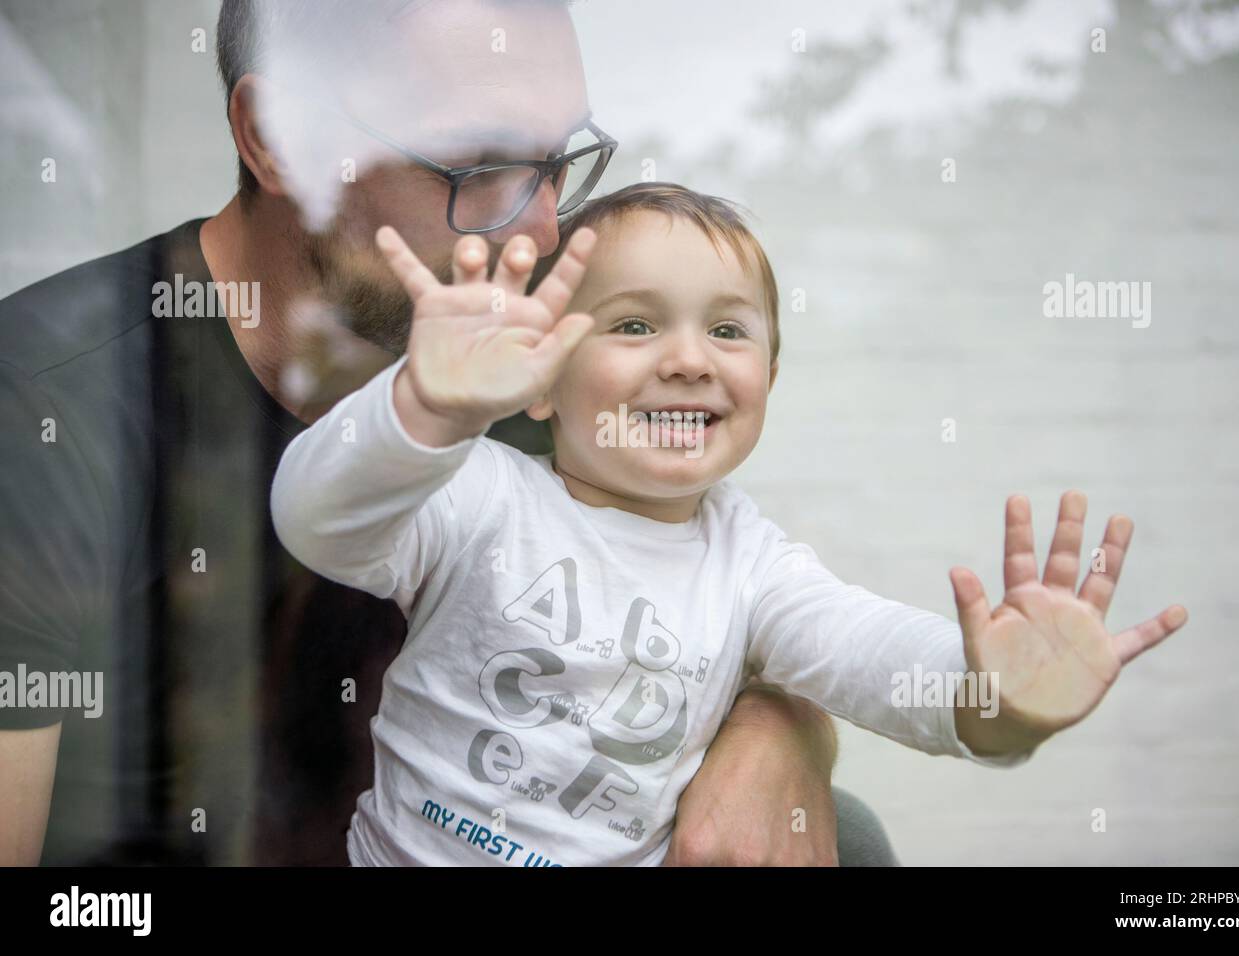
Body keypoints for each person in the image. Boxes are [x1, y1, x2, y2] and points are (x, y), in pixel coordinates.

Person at [0, 0, 863, 867]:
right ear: (274, 138)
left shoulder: (540, 352)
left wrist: (780, 730)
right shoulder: (40, 415)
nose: (538, 231)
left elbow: (707, 598)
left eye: (556, 163)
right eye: (477, 166)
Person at [269, 181, 1189, 865]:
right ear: (540, 378)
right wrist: (423, 408)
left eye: (729, 331)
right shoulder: (482, 494)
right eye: (633, 327)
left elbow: (867, 654)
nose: (686, 360)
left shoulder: (753, 568)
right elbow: (320, 519)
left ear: (771, 382)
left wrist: (997, 692)